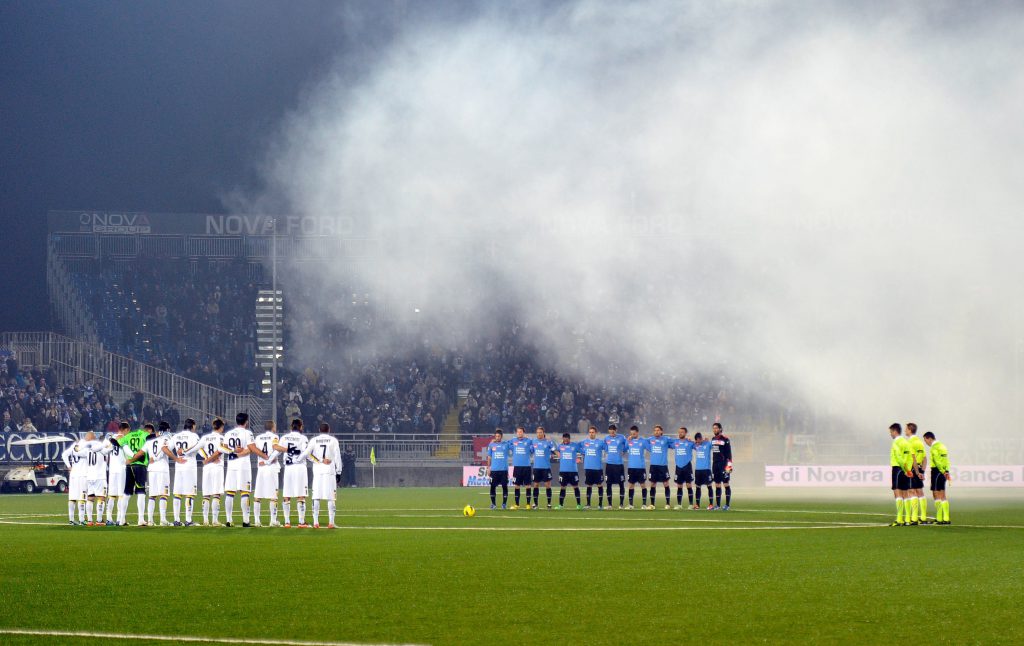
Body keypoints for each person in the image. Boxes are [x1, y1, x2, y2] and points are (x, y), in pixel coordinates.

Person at [219, 412, 268, 528]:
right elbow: (251, 448)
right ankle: (246, 521)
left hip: (231, 466)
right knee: (244, 492)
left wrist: (232, 452)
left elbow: (222, 447)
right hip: (243, 466)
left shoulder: (228, 433)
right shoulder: (247, 433)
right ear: (246, 422)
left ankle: (229, 520)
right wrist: (264, 455)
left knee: (230, 493)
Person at [301, 422, 342, 528]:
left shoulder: (314, 440)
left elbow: (307, 454)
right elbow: (337, 456)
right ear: (329, 430)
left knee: (316, 497)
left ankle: (315, 522)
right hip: (330, 471)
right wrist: (339, 471)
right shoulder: (333, 440)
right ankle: (331, 523)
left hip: (318, 471)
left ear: (319, 430)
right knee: (331, 498)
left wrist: (318, 460)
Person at [274, 418, 310, 527]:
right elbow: (305, 452)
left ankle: (287, 522)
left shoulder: (284, 437)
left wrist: (267, 460)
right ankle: (301, 522)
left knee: (287, 494)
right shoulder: (303, 438)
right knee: (301, 494)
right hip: (299, 467)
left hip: (288, 468)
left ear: (291, 427)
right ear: (301, 427)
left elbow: (277, 451)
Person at [141, 422, 176, 526]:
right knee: (163, 494)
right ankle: (163, 520)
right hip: (162, 469)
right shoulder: (167, 438)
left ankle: (150, 520)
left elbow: (141, 452)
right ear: (168, 429)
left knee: (152, 495)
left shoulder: (151, 440)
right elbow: (164, 449)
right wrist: (156, 457)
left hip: (151, 469)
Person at [117, 422, 152, 525]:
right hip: (140, 465)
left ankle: (122, 519)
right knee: (141, 492)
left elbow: (119, 442)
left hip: (129, 466)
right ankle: (140, 519)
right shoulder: (144, 434)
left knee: (127, 492)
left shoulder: (128, 436)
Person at [170, 419, 202, 526]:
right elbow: (199, 448)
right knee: (189, 493)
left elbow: (166, 448)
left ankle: (176, 520)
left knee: (177, 493)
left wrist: (175, 458)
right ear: (192, 426)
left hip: (179, 466)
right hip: (189, 466)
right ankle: (188, 520)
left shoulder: (176, 436)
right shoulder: (194, 436)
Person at [253, 420, 282, 527]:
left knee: (258, 495)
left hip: (261, 467)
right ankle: (273, 521)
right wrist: (268, 461)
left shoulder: (258, 438)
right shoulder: (275, 437)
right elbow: (276, 451)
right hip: (271, 467)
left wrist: (263, 461)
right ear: (273, 427)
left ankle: (256, 521)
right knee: (273, 495)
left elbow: (254, 449)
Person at [199, 418, 226, 526]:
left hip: (207, 467)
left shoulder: (205, 438)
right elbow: (220, 451)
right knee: (216, 493)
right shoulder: (222, 438)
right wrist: (213, 458)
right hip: (217, 466)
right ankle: (215, 520)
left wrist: (207, 458)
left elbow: (199, 449)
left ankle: (205, 520)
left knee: (206, 494)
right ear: (221, 427)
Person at [102, 424, 128, 525]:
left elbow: (104, 451)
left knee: (112, 495)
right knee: (121, 495)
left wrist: (111, 446)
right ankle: (119, 519)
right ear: (125, 430)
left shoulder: (111, 438)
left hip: (112, 470)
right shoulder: (126, 439)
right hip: (122, 469)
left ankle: (109, 518)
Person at [923, 432, 952, 525]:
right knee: (943, 493)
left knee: (936, 493)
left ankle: (939, 518)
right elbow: (946, 460)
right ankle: (946, 518)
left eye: (925, 440)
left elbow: (936, 460)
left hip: (937, 471)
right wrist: (946, 471)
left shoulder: (934, 448)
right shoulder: (943, 446)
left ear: (929, 438)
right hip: (944, 471)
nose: (925, 442)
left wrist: (942, 471)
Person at [61, 436, 89, 525]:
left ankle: (71, 520)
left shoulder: (74, 445)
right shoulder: (86, 446)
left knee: (72, 497)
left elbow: (64, 454)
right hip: (83, 475)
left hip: (73, 475)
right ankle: (81, 520)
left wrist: (69, 466)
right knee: (82, 497)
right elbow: (86, 454)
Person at [889, 423, 913, 526]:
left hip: (898, 468)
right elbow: (910, 457)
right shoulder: (906, 442)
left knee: (898, 494)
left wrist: (904, 469)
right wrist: (908, 469)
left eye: (890, 432)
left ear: (895, 431)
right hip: (906, 468)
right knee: (906, 494)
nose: (890, 434)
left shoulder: (896, 442)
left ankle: (899, 520)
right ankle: (907, 519)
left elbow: (899, 457)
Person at [81, 431, 107, 525]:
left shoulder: (86, 448)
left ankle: (89, 520)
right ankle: (99, 520)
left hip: (90, 476)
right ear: (94, 437)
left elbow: (78, 453)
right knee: (101, 497)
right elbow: (106, 452)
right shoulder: (100, 445)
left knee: (90, 498)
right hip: (99, 476)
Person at [905, 422, 928, 524]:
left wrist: (917, 472)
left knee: (911, 491)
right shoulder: (919, 442)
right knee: (920, 492)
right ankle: (923, 517)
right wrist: (922, 471)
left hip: (912, 468)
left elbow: (913, 459)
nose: (905, 430)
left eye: (906, 429)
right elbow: (925, 459)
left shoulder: (910, 442)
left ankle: (914, 518)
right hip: (919, 468)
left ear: (910, 430)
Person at [668, 427, 695, 509]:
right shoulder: (675, 442)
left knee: (688, 485)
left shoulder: (690, 442)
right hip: (678, 466)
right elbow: (666, 444)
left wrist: (698, 440)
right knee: (679, 485)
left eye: (682, 432)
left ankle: (691, 504)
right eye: (679, 432)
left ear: (685, 433)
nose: (680, 433)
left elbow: (698, 445)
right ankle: (679, 504)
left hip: (687, 466)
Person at [580, 426, 607, 509]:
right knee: (589, 485)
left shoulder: (600, 442)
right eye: (590, 432)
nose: (591, 434)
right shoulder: (584, 442)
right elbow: (576, 447)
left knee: (599, 485)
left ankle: (600, 504)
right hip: (588, 468)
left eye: (593, 432)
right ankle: (588, 504)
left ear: (596, 433)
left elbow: (607, 448)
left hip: (598, 468)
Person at [530, 426, 556, 509]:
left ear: (543, 433)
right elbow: (530, 451)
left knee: (547, 485)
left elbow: (555, 450)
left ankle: (549, 503)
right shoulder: (533, 441)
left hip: (546, 467)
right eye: (537, 432)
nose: (539, 434)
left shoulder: (548, 442)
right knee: (536, 485)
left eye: (540, 432)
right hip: (536, 467)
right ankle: (535, 504)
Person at [647, 425, 672, 509]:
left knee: (665, 483)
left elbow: (677, 441)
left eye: (658, 430)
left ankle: (668, 504)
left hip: (663, 465)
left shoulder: (666, 439)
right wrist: (631, 438)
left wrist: (688, 439)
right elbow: (641, 441)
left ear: (661, 431)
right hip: (653, 466)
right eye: (655, 430)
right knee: (653, 484)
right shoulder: (650, 439)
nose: (656, 432)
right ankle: (652, 504)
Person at [555, 432, 582, 509]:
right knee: (563, 487)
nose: (565, 440)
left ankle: (579, 505)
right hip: (563, 471)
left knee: (575, 486)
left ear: (569, 439)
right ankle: (560, 505)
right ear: (563, 439)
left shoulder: (574, 445)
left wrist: (579, 458)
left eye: (567, 439)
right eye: (564, 439)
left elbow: (582, 451)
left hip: (573, 471)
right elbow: (556, 451)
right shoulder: (560, 446)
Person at [485, 428, 511, 510]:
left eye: (498, 436)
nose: (497, 437)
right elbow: (489, 457)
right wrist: (488, 468)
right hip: (494, 471)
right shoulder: (491, 445)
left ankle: (504, 504)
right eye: (496, 436)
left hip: (503, 470)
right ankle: (493, 504)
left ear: (501, 436)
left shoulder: (506, 444)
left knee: (504, 487)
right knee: (492, 487)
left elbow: (515, 443)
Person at [625, 426, 650, 510]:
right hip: (631, 467)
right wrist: (627, 441)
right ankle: (631, 504)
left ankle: (644, 504)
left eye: (634, 433)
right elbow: (624, 449)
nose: (632, 435)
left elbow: (650, 448)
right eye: (631, 433)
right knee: (631, 485)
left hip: (640, 467)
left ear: (637, 432)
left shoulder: (643, 441)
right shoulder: (629, 441)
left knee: (643, 485)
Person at [509, 426, 534, 510]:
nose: (519, 433)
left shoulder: (529, 441)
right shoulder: (513, 441)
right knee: (516, 486)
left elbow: (535, 446)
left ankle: (528, 504)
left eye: (521, 432)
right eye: (518, 432)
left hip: (526, 466)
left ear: (523, 433)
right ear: (516, 433)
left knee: (528, 486)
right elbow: (506, 444)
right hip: (517, 467)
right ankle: (517, 504)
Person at [710, 422, 733, 510]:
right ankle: (718, 505)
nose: (714, 429)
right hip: (715, 464)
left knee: (726, 483)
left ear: (720, 429)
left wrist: (729, 466)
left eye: (716, 428)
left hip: (724, 464)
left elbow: (729, 454)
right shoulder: (712, 439)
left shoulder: (725, 439)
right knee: (717, 485)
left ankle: (727, 505)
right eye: (713, 428)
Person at [603, 424, 628, 509]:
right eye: (610, 431)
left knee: (621, 484)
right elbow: (605, 448)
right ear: (609, 431)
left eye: (613, 431)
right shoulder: (606, 438)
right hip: (609, 464)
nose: (612, 432)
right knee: (608, 484)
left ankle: (621, 504)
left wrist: (623, 450)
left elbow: (627, 445)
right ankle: (610, 504)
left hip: (618, 464)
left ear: (616, 430)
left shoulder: (622, 437)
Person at [693, 433, 714, 509]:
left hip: (706, 469)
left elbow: (714, 447)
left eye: (699, 440)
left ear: (701, 438)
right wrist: (689, 440)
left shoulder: (708, 444)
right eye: (697, 441)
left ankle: (711, 504)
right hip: (698, 470)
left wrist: (709, 440)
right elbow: (690, 443)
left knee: (709, 486)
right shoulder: (695, 445)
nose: (698, 443)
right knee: (698, 487)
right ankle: (697, 505)